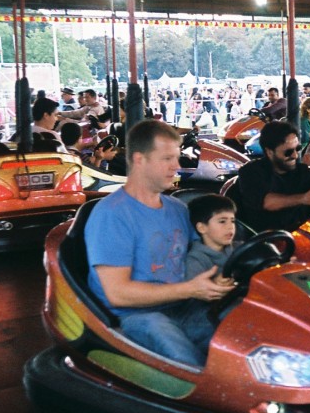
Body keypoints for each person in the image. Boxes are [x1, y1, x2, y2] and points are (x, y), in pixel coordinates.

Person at [85, 120, 235, 366]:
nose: (176, 167)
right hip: (136, 317)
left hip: (183, 306)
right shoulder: (112, 215)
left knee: (245, 333)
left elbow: (209, 249)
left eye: (176, 158)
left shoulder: (177, 208)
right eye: (167, 159)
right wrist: (190, 289)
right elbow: (117, 293)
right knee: (189, 363)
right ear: (140, 160)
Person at [232, 120, 310, 232]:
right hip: (264, 239)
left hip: (303, 237)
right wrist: (303, 198)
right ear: (270, 152)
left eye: (297, 149)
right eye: (288, 152)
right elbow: (266, 202)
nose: (295, 155)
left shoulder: (302, 172)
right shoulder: (251, 172)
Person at [184, 194, 241, 282]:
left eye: (232, 221)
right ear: (202, 228)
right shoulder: (196, 260)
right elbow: (193, 293)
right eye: (222, 221)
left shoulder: (239, 248)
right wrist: (215, 283)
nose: (230, 227)